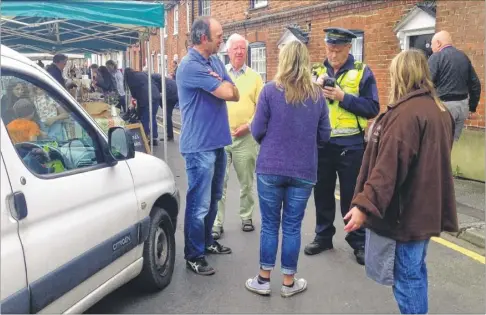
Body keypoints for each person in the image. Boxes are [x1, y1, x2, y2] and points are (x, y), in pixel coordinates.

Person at [345, 49, 458, 314]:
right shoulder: (438, 109)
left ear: (401, 75)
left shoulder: (405, 114)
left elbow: (388, 168)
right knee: (416, 273)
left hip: (406, 213)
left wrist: (364, 206)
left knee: (407, 279)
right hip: (426, 209)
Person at [245, 40, 331, 297]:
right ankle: (288, 283)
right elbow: (325, 135)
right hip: (303, 170)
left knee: (270, 225)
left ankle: (263, 280)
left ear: (283, 61)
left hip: (270, 167)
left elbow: (257, 129)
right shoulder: (317, 96)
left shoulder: (270, 91)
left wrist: (271, 144)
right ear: (306, 63)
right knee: (292, 226)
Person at [305, 27, 380, 265]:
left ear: (349, 48)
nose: (333, 55)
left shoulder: (362, 72)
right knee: (322, 192)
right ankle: (323, 236)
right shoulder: (316, 70)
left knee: (352, 195)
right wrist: (313, 90)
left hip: (351, 144)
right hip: (322, 143)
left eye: (338, 50)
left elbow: (372, 108)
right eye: (329, 49)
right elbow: (303, 104)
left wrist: (342, 97)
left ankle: (358, 241)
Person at [176, 16, 239, 275]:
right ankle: (193, 254)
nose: (222, 40)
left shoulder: (214, 61)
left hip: (217, 142)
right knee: (199, 204)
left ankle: (207, 242)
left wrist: (221, 82)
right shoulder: (190, 66)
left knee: (214, 199)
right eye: (219, 36)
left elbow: (234, 92)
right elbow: (225, 92)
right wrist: (221, 85)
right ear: (204, 38)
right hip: (199, 146)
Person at [210, 33, 263, 240]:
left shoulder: (255, 78)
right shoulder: (219, 74)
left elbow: (261, 108)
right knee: (219, 183)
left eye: (243, 48)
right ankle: (216, 222)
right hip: (222, 137)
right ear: (228, 51)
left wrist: (248, 126)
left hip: (246, 138)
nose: (240, 52)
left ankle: (247, 216)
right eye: (235, 48)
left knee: (247, 182)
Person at [428, 30, 482, 141]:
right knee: (452, 143)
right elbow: (475, 84)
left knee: (438, 144)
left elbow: (426, 83)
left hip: (444, 107)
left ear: (438, 43)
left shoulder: (436, 57)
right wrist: (472, 107)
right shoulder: (463, 57)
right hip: (462, 106)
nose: (431, 49)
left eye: (432, 45)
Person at [124, 68, 161, 145]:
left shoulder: (131, 79)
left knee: (145, 119)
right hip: (156, 96)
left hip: (146, 99)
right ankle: (154, 138)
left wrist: (133, 105)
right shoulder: (143, 74)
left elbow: (134, 93)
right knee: (153, 117)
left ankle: (145, 138)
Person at [152, 74, 178, 141]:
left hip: (170, 97)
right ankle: (170, 135)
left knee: (167, 116)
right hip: (175, 96)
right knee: (167, 115)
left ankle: (170, 135)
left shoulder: (156, 81)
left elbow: (160, 94)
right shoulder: (166, 80)